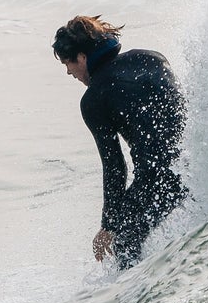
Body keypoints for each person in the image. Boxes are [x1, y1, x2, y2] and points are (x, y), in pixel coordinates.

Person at [52, 14, 187, 268]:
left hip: (156, 177)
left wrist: (109, 225)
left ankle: (133, 301)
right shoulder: (151, 57)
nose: (69, 71)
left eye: (68, 63)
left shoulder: (93, 99)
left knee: (123, 241)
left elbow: (115, 166)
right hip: (193, 161)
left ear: (82, 57)